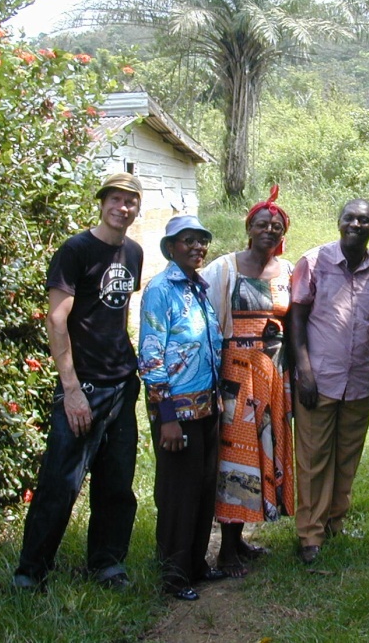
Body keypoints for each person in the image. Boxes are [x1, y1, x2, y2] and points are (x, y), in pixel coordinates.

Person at [13, 173, 143, 591]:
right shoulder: (76, 250)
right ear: (102, 203)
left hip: (123, 384)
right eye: (116, 199)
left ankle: (107, 564)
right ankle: (30, 572)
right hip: (83, 385)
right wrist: (71, 390)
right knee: (61, 481)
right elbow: (57, 320)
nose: (123, 208)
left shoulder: (134, 252)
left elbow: (114, 314)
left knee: (117, 482)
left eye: (131, 202)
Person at [203, 185, 295, 578]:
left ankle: (240, 540)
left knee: (261, 456)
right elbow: (206, 321)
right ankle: (226, 550)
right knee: (235, 458)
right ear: (249, 228)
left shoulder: (289, 272)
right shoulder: (225, 268)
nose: (269, 231)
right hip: (237, 377)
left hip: (273, 375)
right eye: (262, 224)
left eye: (276, 226)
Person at [290, 199, 369, 565]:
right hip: (320, 380)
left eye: (365, 220)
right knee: (314, 459)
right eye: (350, 218)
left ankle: (334, 523)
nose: (357, 224)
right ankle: (309, 535)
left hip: (359, 382)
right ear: (338, 223)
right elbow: (296, 320)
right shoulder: (314, 262)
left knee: (347, 458)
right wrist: (305, 371)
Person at [138, 215, 227, 601]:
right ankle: (174, 574)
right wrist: (168, 418)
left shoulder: (197, 287)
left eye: (202, 241)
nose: (197, 247)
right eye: (188, 241)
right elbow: (151, 355)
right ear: (171, 247)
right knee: (179, 493)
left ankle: (196, 564)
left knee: (205, 488)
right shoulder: (161, 290)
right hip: (176, 413)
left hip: (207, 408)